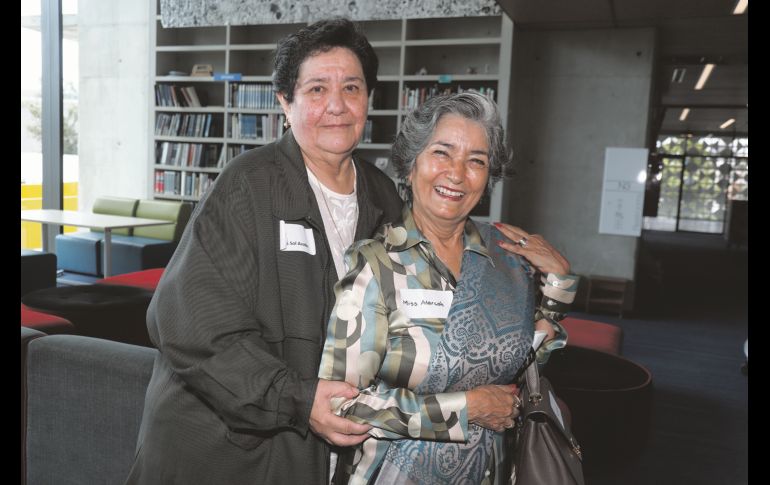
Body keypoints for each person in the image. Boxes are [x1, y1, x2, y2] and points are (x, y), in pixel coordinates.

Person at [125, 19, 404, 484]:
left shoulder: (383, 195)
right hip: (226, 450)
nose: (336, 105)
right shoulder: (247, 186)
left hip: (324, 448)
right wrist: (296, 397)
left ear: (368, 99)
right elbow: (191, 325)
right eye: (316, 89)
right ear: (284, 103)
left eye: (351, 87)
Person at [318, 91, 579, 484]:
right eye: (442, 153)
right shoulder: (377, 265)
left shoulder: (507, 261)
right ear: (411, 165)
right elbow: (342, 405)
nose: (457, 173)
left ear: (488, 177)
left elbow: (527, 369)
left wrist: (559, 283)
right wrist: (466, 409)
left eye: (476, 160)